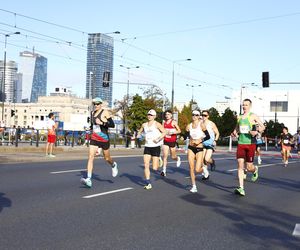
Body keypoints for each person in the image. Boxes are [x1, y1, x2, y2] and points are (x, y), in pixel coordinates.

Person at [80, 98, 118, 188]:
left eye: (97, 104)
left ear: (101, 104)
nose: (96, 105)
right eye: (94, 104)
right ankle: (88, 179)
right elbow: (93, 126)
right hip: (94, 138)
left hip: (104, 139)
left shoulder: (105, 112)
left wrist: (102, 122)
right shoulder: (92, 113)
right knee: (90, 157)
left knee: (107, 158)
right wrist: (89, 129)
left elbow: (112, 124)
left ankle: (113, 165)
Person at [231, 99, 265, 196]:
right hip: (241, 143)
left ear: (250, 106)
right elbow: (237, 128)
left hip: (251, 144)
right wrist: (235, 132)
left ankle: (255, 170)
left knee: (249, 167)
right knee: (240, 164)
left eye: (246, 105)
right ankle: (241, 188)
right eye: (243, 105)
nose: (244, 107)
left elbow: (263, 127)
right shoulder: (240, 117)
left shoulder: (253, 116)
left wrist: (257, 131)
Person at [137, 109, 166, 190]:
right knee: (146, 165)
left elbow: (164, 132)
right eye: (148, 115)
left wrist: (158, 139)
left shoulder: (157, 124)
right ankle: (148, 182)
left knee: (155, 168)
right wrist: (139, 136)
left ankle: (159, 159)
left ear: (155, 116)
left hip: (156, 146)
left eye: (151, 115)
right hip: (147, 146)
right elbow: (139, 132)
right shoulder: (144, 125)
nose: (149, 116)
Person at [186, 110, 210, 193]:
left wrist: (199, 140)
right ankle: (194, 186)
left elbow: (208, 136)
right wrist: (188, 139)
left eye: (196, 115)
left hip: (199, 148)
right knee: (191, 168)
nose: (194, 116)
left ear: (199, 116)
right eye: (193, 114)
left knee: (197, 169)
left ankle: (203, 168)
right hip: (191, 148)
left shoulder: (201, 125)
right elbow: (187, 136)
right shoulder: (189, 125)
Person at [161, 110, 181, 177]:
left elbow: (179, 131)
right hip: (166, 140)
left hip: (172, 141)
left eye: (168, 114)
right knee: (165, 156)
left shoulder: (174, 122)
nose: (167, 115)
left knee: (173, 157)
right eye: (166, 114)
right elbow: (162, 131)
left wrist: (172, 132)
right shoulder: (164, 122)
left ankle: (177, 159)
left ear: (171, 115)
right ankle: (164, 171)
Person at [201, 110, 220, 177]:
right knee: (202, 160)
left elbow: (217, 133)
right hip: (203, 143)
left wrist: (215, 140)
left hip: (210, 143)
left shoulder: (211, 123)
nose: (203, 117)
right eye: (202, 115)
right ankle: (206, 174)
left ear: (208, 116)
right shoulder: (200, 123)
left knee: (206, 159)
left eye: (205, 115)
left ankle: (212, 162)